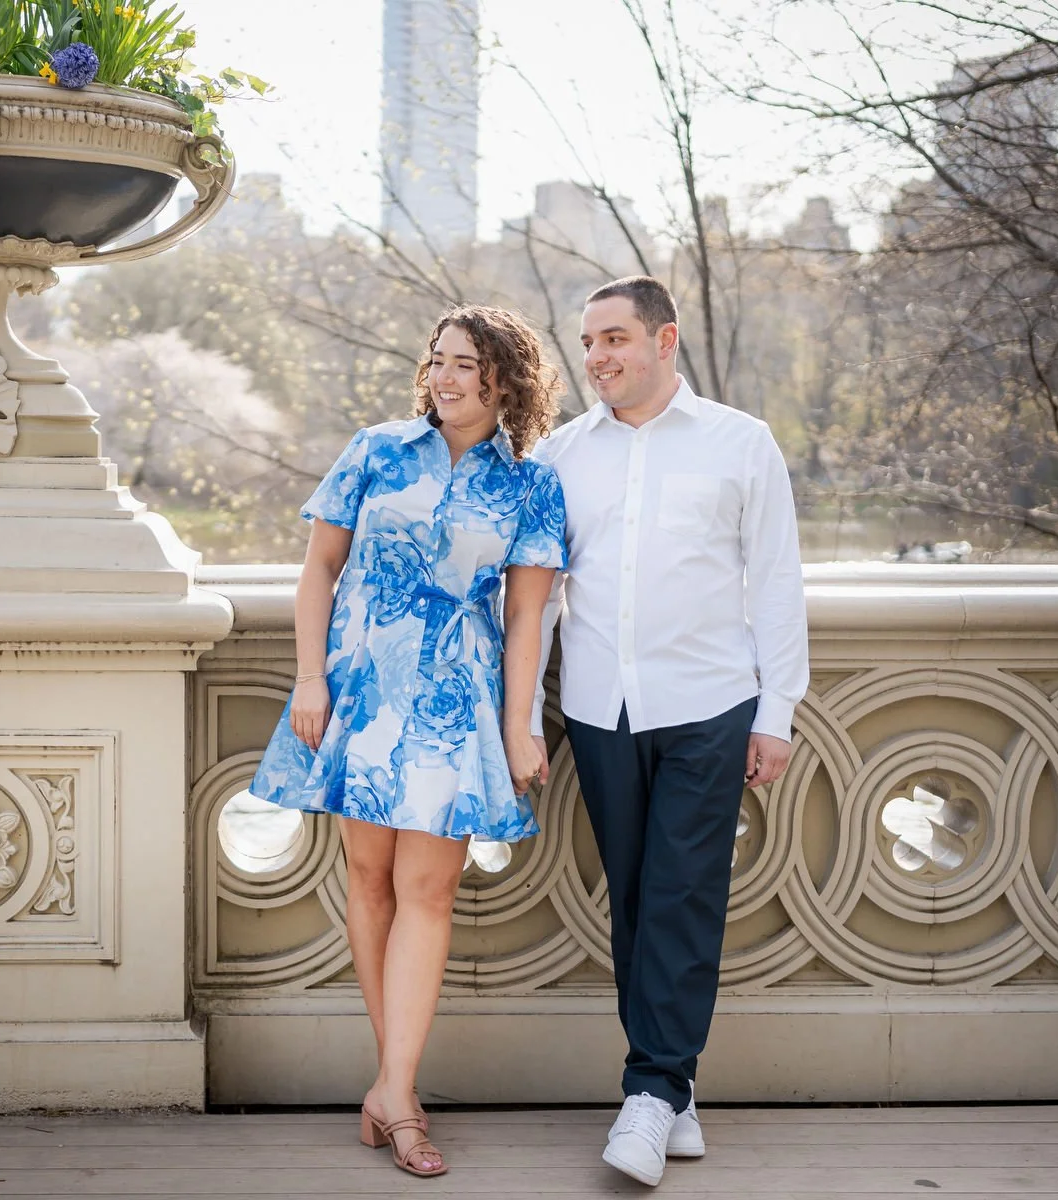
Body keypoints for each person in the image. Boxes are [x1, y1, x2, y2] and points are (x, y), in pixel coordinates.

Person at [251, 306, 569, 1180]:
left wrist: (519, 728)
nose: (445, 377)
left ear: (506, 380)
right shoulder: (376, 450)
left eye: (467, 364)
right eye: (438, 360)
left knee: (428, 891)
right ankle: (395, 1091)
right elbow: (320, 568)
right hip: (359, 684)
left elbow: (527, 618)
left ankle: (393, 1091)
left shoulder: (532, 486)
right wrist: (309, 679)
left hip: (454, 699)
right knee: (369, 879)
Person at [530, 276, 808, 1187]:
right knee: (637, 901)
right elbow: (539, 599)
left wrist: (777, 711)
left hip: (709, 705)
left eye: (614, 337)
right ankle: (674, 1091)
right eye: (588, 342)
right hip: (600, 709)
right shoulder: (562, 454)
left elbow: (775, 581)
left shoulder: (741, 443)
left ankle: (648, 1093)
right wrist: (522, 716)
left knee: (685, 895)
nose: (597, 356)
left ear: (663, 340)